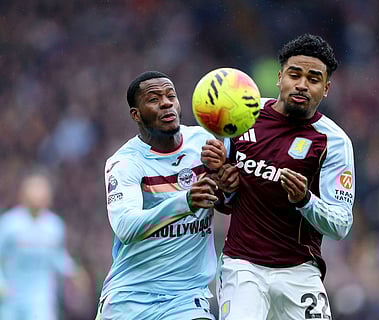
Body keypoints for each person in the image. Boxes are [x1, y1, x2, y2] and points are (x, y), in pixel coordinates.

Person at [215, 34, 355, 319]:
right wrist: (224, 185)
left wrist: (305, 200)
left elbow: (341, 224)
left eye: (314, 79)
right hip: (243, 266)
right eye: (295, 74)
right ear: (280, 77)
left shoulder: (334, 142)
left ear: (326, 89)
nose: (302, 85)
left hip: (299, 271)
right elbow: (223, 197)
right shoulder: (245, 117)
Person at [95, 71, 229, 320]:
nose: (166, 102)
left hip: (187, 298)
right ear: (136, 114)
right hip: (131, 297)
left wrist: (229, 181)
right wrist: (185, 201)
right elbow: (126, 226)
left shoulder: (205, 143)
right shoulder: (125, 162)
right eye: (154, 99)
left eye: (171, 96)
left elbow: (231, 198)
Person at [0, 173, 89, 320]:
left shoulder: (54, 225)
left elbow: (58, 257)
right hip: (12, 295)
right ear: (23, 194)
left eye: (42, 192)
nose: (38, 196)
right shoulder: (9, 223)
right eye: (34, 190)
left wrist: (74, 272)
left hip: (41, 297)